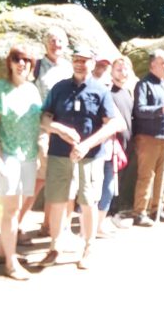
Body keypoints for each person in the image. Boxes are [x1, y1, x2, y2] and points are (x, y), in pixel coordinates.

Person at [39, 46, 125, 270]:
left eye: (84, 60)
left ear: (92, 63)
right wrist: (58, 129)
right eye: (76, 59)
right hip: (59, 152)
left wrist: (87, 144)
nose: (79, 63)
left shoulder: (101, 91)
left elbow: (113, 124)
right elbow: (44, 118)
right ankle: (54, 246)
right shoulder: (59, 88)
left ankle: (88, 247)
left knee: (88, 202)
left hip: (91, 156)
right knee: (57, 200)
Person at [0, 45, 41, 280]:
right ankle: (10, 263)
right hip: (8, 155)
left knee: (19, 204)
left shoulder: (33, 91)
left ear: (31, 65)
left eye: (26, 60)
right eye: (17, 59)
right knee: (12, 209)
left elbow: (39, 123)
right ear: (10, 63)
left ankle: (1, 251)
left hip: (29, 155)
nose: (21, 63)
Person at [21, 28, 70, 239]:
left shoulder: (69, 67)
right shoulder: (38, 66)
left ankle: (48, 226)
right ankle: (17, 224)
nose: (55, 43)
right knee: (40, 177)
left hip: (64, 128)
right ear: (45, 44)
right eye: (51, 40)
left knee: (57, 178)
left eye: (59, 40)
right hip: (41, 126)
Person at [131, 49, 164, 226]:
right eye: (162, 62)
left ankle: (157, 208)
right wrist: (163, 108)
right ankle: (139, 212)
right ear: (153, 64)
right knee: (146, 176)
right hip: (149, 137)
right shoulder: (144, 84)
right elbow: (140, 110)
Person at [97, 56, 135, 238]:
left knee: (117, 183)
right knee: (108, 184)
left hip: (126, 144)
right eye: (119, 69)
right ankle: (100, 220)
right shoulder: (107, 92)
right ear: (111, 72)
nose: (123, 72)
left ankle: (113, 215)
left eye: (125, 69)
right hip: (112, 144)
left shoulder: (127, 92)